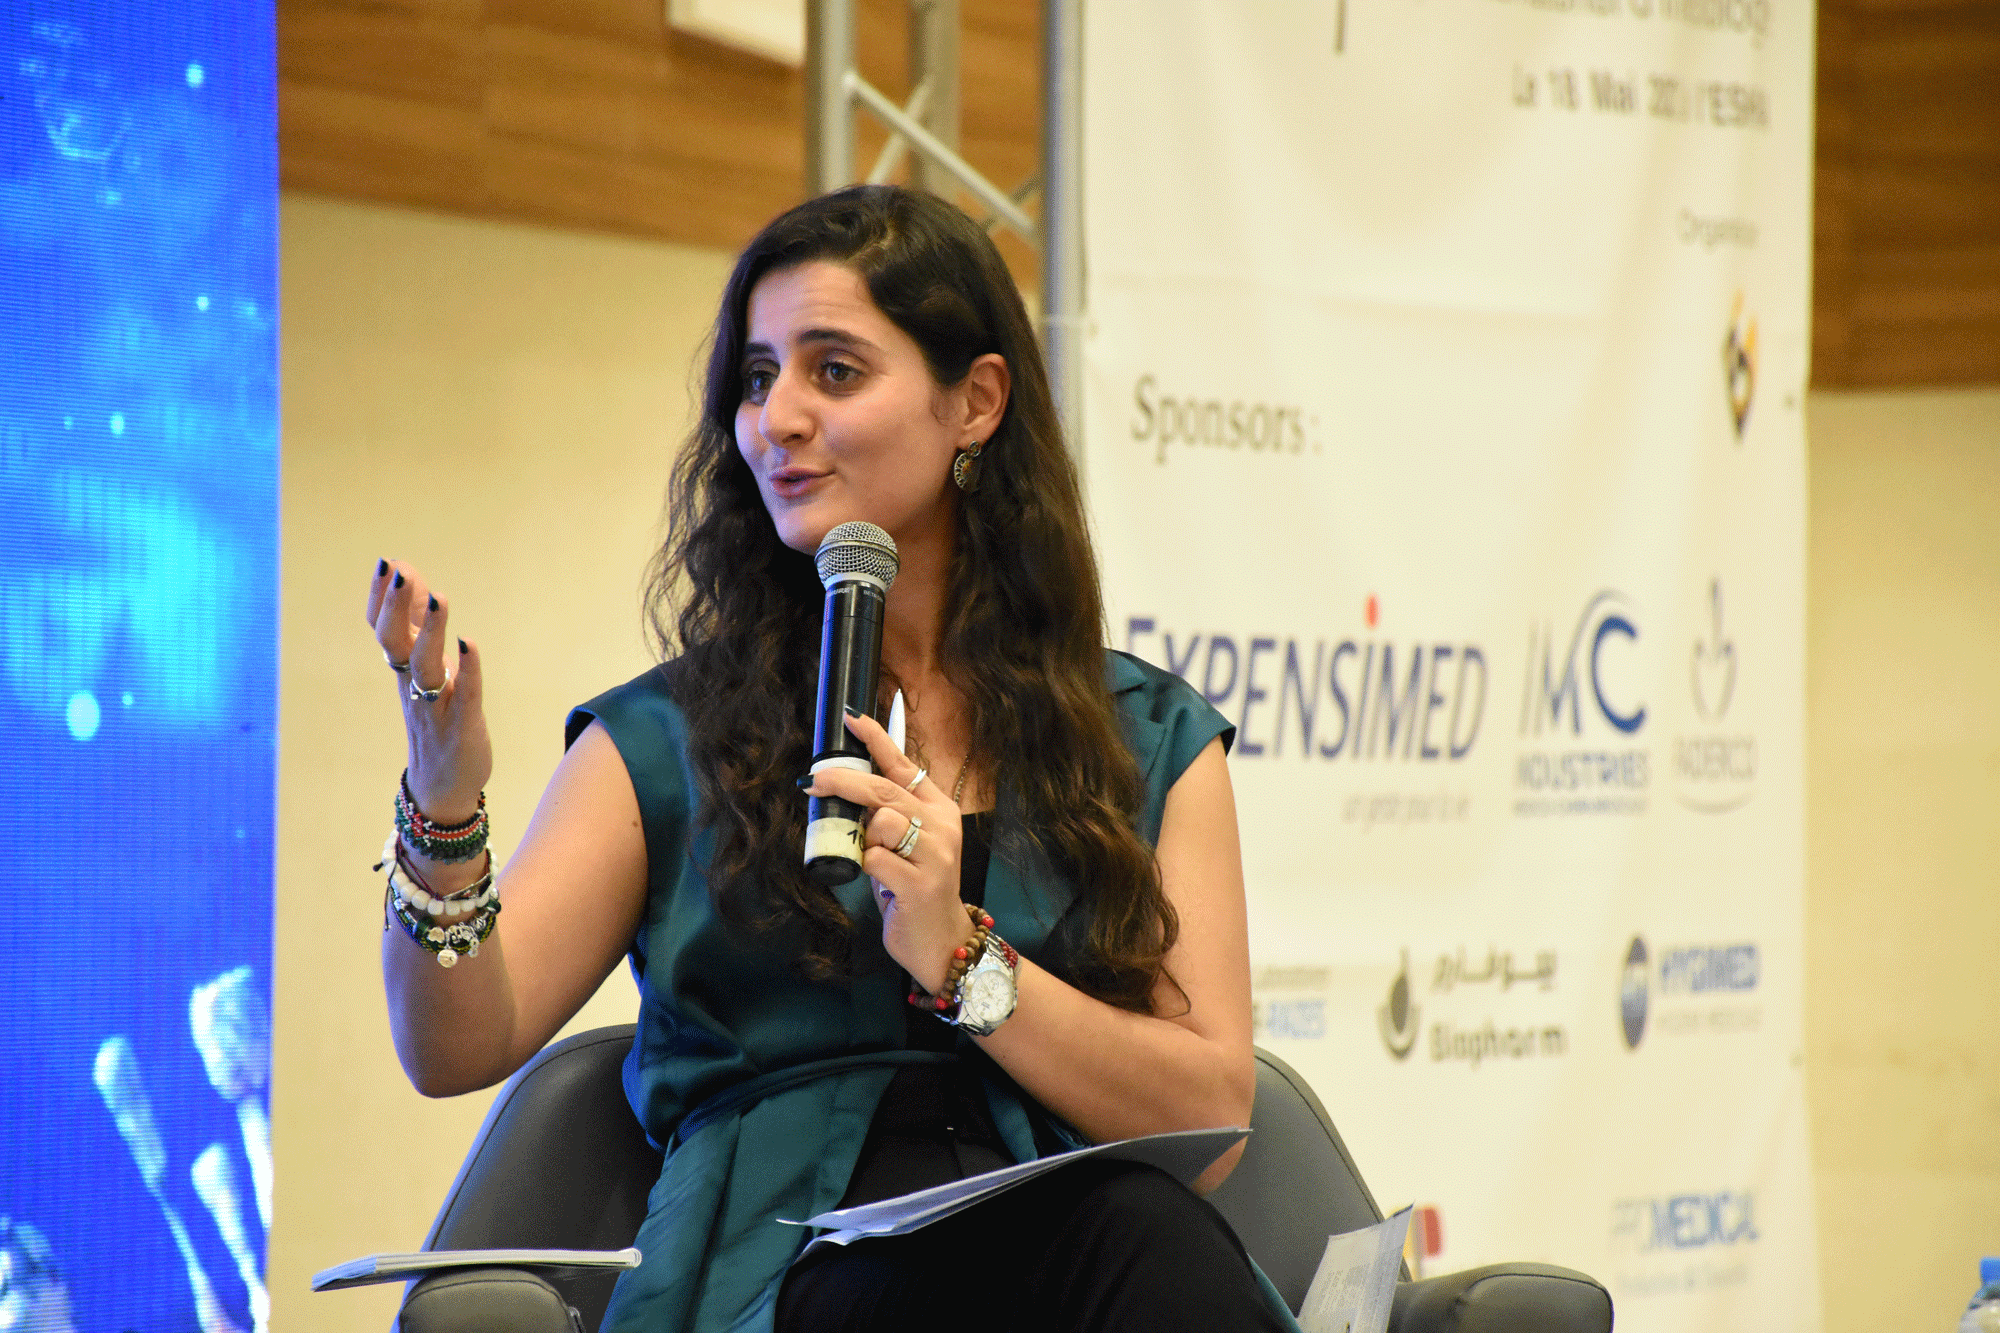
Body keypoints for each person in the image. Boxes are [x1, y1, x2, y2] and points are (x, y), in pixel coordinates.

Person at [364, 184, 1297, 1333]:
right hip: (781, 1279)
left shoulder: (1142, 736)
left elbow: (1209, 1118)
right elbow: (456, 1045)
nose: (778, 419)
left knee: (1139, 1231)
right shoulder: (660, 739)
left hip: (1079, 1247)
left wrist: (962, 959)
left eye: (834, 371)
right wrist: (444, 802)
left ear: (975, 402)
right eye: (757, 379)